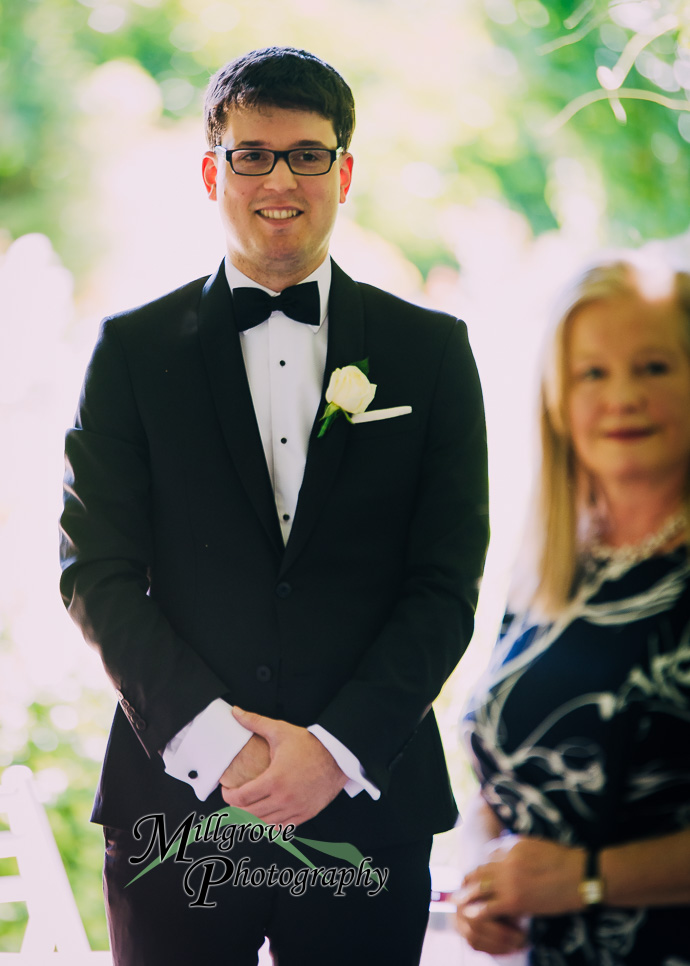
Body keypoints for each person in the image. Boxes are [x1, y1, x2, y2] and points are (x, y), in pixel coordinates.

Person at [59, 47, 489, 966]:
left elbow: (445, 582)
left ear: (345, 172)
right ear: (214, 171)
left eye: (306, 152)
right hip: (177, 816)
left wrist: (335, 751)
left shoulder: (433, 352)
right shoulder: (131, 352)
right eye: (252, 153)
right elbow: (95, 571)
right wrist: (224, 749)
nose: (280, 178)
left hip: (366, 806)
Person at [455, 256, 690, 965]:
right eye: (593, 373)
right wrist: (482, 879)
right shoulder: (552, 571)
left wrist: (586, 882)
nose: (622, 397)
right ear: (558, 399)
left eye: (652, 367)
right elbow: (499, 782)